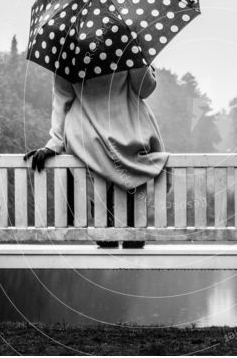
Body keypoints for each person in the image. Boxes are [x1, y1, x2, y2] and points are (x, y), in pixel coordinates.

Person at [24, 66, 168, 248]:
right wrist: (141, 62)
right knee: (129, 156)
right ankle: (129, 221)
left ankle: (105, 214)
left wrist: (54, 143)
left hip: (85, 131)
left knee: (90, 157)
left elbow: (62, 100)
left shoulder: (69, 51)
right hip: (128, 127)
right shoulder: (127, 43)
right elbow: (144, 89)